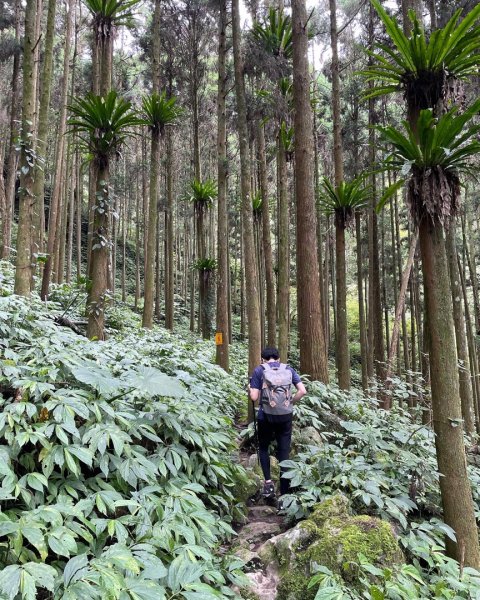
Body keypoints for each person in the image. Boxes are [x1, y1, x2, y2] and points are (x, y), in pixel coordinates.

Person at [248, 347, 306, 500]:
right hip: (285, 416)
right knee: (284, 453)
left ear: (263, 359)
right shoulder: (288, 369)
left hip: (265, 416)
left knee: (264, 447)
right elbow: (302, 391)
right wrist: (290, 402)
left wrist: (250, 388)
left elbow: (254, 397)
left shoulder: (259, 370)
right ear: (278, 359)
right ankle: (285, 495)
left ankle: (268, 483)